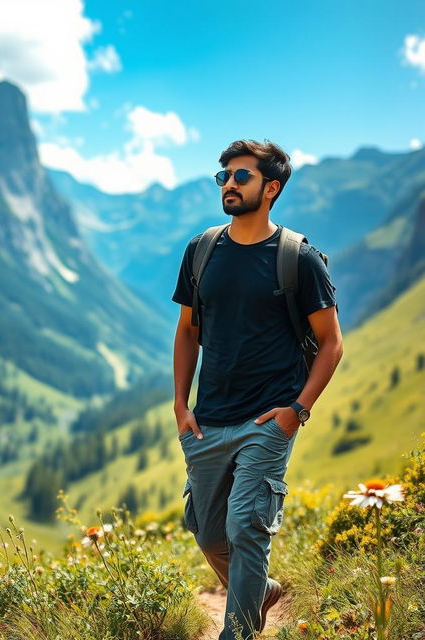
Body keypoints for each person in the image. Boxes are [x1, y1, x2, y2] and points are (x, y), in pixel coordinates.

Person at [172, 139, 343, 640]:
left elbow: (331, 344)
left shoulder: (299, 258)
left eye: (240, 176)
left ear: (271, 188)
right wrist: (181, 405)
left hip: (269, 420)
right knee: (207, 533)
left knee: (247, 526)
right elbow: (188, 331)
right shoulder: (202, 251)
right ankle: (260, 590)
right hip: (208, 419)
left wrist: (297, 410)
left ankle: (239, 632)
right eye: (222, 175)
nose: (228, 183)